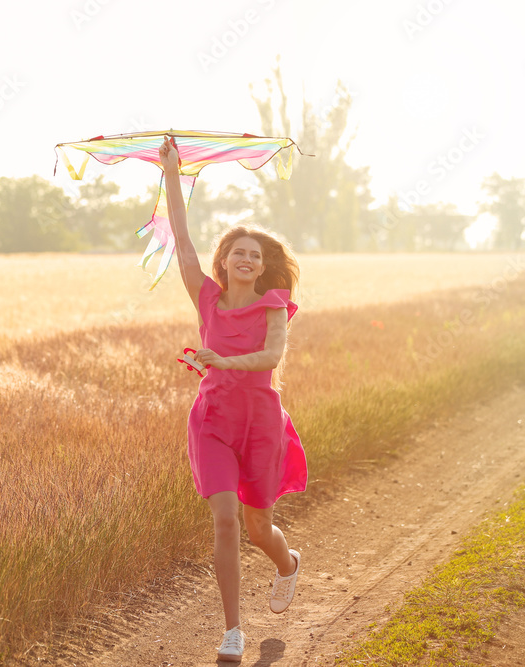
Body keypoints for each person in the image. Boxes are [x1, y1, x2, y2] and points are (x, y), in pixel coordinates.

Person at [158, 137, 307, 662]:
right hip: (214, 420)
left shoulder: (272, 304)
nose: (246, 259)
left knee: (257, 527)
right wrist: (172, 174)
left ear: (263, 266)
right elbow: (181, 236)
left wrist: (223, 361)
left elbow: (270, 358)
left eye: (255, 255)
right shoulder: (205, 294)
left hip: (261, 422)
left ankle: (286, 562)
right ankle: (232, 631)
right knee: (224, 520)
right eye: (237, 252)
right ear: (224, 260)